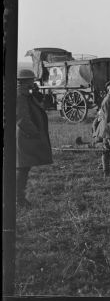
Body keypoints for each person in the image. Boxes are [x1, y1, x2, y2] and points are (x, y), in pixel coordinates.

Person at [16, 68, 53, 207]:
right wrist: (35, 132)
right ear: (26, 81)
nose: (33, 82)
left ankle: (19, 198)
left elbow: (39, 105)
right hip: (24, 136)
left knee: (23, 167)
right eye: (32, 80)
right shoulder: (20, 95)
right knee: (22, 167)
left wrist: (36, 93)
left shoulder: (25, 94)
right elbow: (22, 118)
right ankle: (18, 199)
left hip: (24, 135)